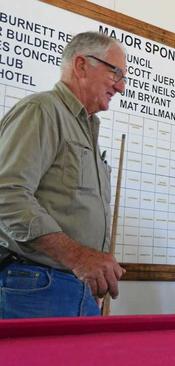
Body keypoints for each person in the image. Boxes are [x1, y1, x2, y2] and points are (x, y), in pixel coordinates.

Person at [0, 31, 128, 318]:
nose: (120, 87)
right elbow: (6, 195)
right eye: (115, 73)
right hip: (35, 287)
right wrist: (79, 257)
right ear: (81, 65)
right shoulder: (42, 110)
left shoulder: (85, 128)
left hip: (75, 288)